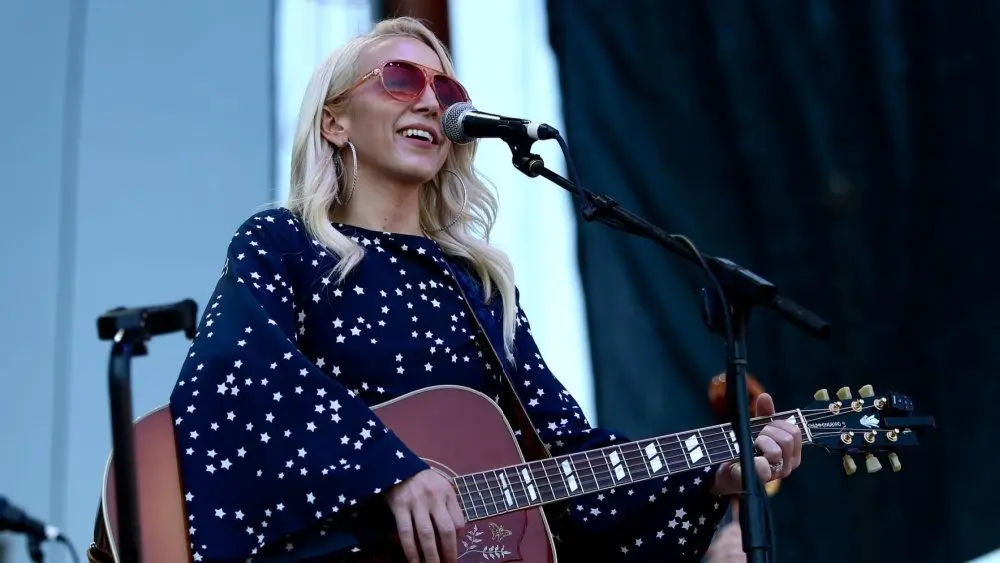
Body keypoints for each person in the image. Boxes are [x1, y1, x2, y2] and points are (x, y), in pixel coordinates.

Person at [168, 16, 803, 563]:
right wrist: (389, 472)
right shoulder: (284, 242)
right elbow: (238, 373)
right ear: (334, 122)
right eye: (399, 80)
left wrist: (707, 476)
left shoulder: (479, 286)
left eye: (444, 89)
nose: (429, 102)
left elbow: (566, 457)